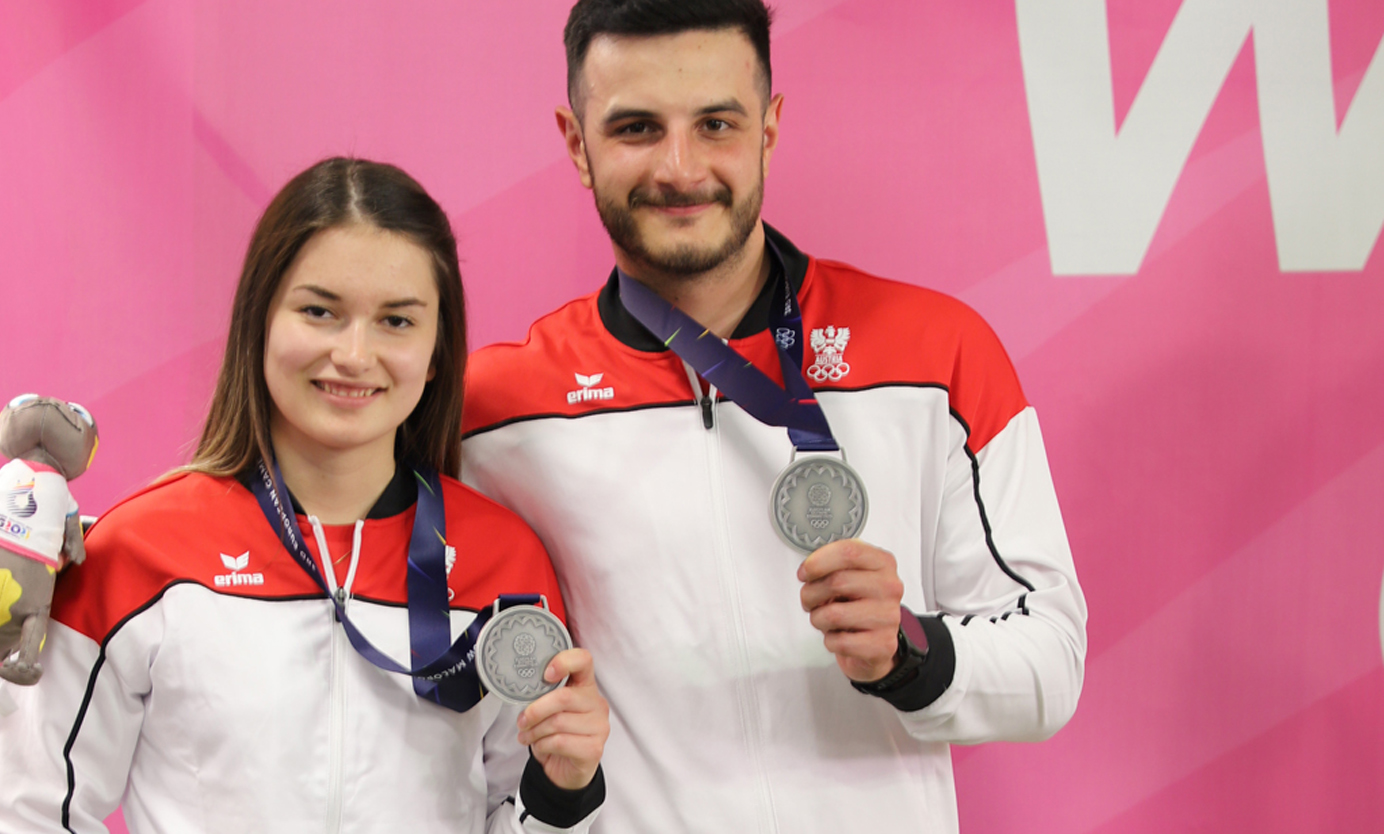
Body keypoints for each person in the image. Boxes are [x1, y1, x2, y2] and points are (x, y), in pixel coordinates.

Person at [453, 1, 1087, 832]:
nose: (680, 169)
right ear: (576, 143)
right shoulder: (493, 414)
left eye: (716, 123)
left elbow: (1051, 660)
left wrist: (908, 651)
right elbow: (470, 745)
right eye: (637, 128)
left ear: (770, 128)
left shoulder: (936, 353)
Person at [0, 158, 610, 833]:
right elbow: (34, 806)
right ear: (260, 321)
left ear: (436, 352)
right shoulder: (136, 552)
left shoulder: (504, 563)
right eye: (320, 312)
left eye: (397, 321)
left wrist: (563, 794)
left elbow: (515, 819)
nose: (354, 354)